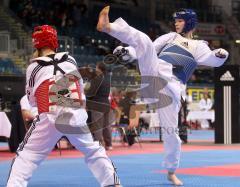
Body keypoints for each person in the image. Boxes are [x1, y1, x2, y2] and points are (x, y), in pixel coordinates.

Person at [97, 6, 229, 186]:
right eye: (176, 20)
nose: (176, 23)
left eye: (180, 20)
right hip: (155, 74)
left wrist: (221, 55)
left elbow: (212, 59)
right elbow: (148, 48)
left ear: (189, 22)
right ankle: (108, 27)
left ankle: (171, 171)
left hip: (173, 88)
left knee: (172, 134)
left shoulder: (199, 46)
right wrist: (128, 54)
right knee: (143, 40)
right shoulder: (169, 37)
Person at [7, 25, 121, 187]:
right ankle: (113, 183)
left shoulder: (34, 67)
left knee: (26, 155)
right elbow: (80, 86)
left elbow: (31, 98)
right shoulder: (70, 59)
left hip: (50, 114)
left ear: (36, 44)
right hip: (75, 114)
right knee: (93, 150)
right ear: (55, 42)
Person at [86, 62, 113, 150]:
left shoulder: (97, 78)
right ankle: (109, 145)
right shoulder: (107, 79)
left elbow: (91, 93)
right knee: (106, 126)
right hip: (106, 103)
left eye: (96, 68)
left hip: (97, 104)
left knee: (98, 126)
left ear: (99, 69)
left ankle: (99, 145)